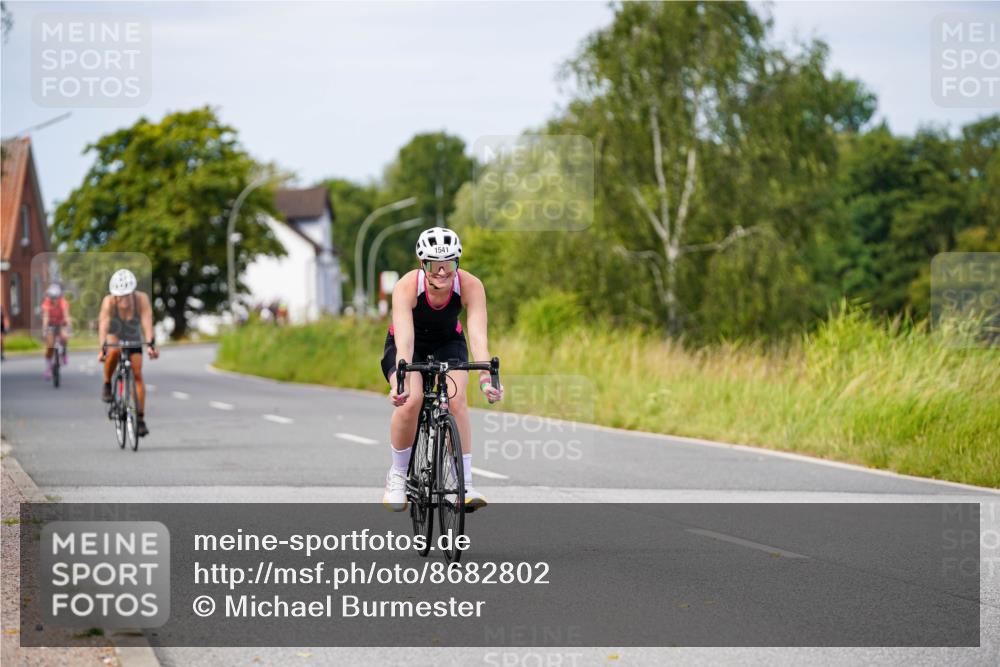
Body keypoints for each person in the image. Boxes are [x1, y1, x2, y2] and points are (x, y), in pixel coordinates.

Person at [380, 227, 503, 512]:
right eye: (435, 264)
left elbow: (478, 337)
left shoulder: (471, 286)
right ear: (422, 264)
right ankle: (397, 475)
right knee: (412, 400)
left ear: (458, 262)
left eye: (450, 263)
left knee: (457, 399)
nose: (442, 271)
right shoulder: (407, 286)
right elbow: (406, 341)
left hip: (449, 342)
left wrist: (487, 378)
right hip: (408, 344)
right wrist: (401, 383)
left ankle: (464, 483)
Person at [97, 269, 159, 437]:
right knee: (114, 351)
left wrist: (151, 344)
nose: (122, 299)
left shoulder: (141, 299)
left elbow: (147, 321)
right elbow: (103, 324)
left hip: (132, 331)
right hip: (114, 330)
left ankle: (140, 419)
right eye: (119, 295)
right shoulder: (109, 302)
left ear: (133, 292)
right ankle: (107, 383)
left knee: (137, 373)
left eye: (126, 295)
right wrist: (103, 347)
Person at [40, 283, 71, 379]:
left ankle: (64, 353)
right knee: (50, 345)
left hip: (61, 323)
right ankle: (48, 368)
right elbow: (45, 317)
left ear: (59, 296)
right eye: (52, 297)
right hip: (50, 324)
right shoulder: (46, 302)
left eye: (56, 297)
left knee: (64, 336)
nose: (54, 299)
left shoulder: (63, 302)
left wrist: (68, 326)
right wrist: (45, 329)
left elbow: (66, 315)